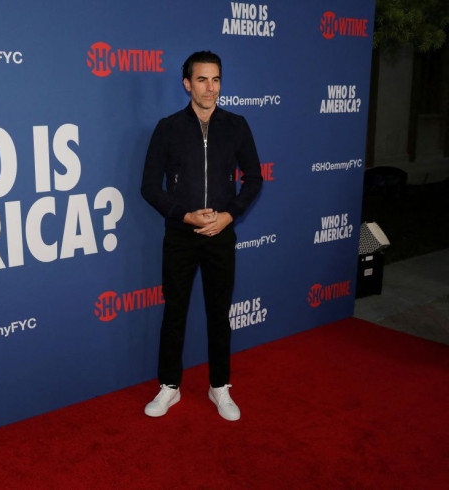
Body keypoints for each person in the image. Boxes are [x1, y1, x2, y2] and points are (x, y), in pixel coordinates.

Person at [140, 50, 263, 421]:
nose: (210, 88)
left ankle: (219, 386)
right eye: (202, 80)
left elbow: (254, 179)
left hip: (221, 235)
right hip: (180, 235)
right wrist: (185, 215)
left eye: (216, 80)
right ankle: (169, 386)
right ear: (187, 84)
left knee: (217, 313)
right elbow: (148, 186)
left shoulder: (237, 125)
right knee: (175, 310)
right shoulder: (168, 128)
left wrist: (229, 216)